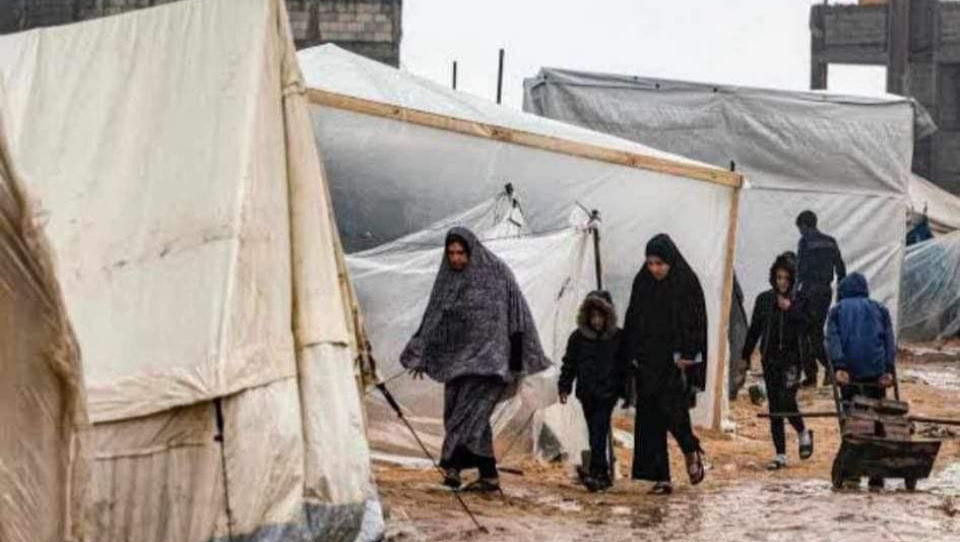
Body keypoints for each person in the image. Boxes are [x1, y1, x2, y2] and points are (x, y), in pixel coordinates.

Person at [400, 227, 550, 492]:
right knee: (461, 417)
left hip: (491, 364)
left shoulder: (497, 273)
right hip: (458, 363)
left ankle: (453, 470)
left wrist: (515, 363)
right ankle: (489, 476)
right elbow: (436, 315)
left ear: (471, 250)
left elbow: (518, 316)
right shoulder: (448, 278)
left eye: (461, 253)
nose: (456, 259)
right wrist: (420, 353)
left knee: (466, 418)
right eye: (451, 253)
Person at [620, 234, 707, 495]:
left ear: (670, 261)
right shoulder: (642, 282)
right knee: (650, 416)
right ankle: (661, 477)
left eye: (660, 263)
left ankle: (690, 449)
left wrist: (689, 354)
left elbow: (697, 322)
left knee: (674, 411)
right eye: (650, 263)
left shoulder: (686, 282)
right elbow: (633, 316)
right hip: (648, 359)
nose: (655, 269)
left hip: (675, 360)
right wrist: (630, 352)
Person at [742, 254, 814, 470]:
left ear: (792, 279)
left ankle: (802, 432)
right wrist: (745, 356)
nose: (781, 282)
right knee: (775, 406)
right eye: (778, 277)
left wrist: (790, 309)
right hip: (770, 358)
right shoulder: (764, 300)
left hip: (792, 359)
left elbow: (808, 325)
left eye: (785, 278)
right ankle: (780, 454)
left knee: (786, 399)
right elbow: (754, 329)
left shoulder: (801, 300)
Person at [826, 272, 896, 490]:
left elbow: (833, 340)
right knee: (877, 423)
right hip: (876, 375)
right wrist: (888, 369)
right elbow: (889, 340)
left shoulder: (837, 311)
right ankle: (877, 476)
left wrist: (839, 367)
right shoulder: (880, 309)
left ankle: (852, 474)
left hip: (851, 375)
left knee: (853, 424)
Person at [558, 290, 624, 492]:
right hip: (587, 393)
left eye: (600, 316)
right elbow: (569, 364)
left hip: (607, 393)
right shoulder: (578, 338)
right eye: (593, 316)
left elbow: (623, 365)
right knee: (594, 431)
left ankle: (599, 472)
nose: (596, 321)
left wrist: (623, 389)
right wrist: (564, 386)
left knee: (599, 430)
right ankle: (599, 471)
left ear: (607, 316)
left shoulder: (617, 338)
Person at [795, 210, 846, 387]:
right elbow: (841, 270)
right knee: (815, 333)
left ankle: (817, 374)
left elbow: (799, 271)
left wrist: (795, 295)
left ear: (804, 226)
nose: (800, 232)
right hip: (825, 292)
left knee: (804, 335)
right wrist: (841, 293)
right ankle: (825, 371)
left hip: (809, 293)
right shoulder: (831, 242)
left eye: (800, 229)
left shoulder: (805, 242)